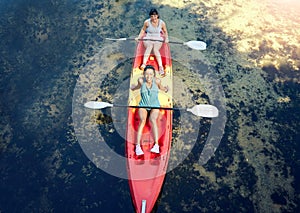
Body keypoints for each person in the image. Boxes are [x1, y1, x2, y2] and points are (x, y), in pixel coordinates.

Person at [130, 65, 169, 155]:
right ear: (144, 74)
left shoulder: (157, 81)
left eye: (151, 74)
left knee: (153, 120)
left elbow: (162, 88)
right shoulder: (140, 80)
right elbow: (137, 87)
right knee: (143, 120)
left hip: (155, 105)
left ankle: (156, 145)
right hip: (143, 105)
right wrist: (133, 88)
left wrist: (166, 89)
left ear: (154, 74)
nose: (149, 76)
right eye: (147, 74)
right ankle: (138, 146)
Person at [136, 8, 169, 75]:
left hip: (158, 38)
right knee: (149, 46)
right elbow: (143, 30)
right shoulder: (147, 22)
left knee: (155, 49)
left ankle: (160, 66)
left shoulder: (162, 23)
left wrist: (166, 38)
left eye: (155, 16)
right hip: (148, 37)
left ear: (157, 15)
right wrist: (139, 37)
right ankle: (144, 64)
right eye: (151, 16)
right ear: (150, 16)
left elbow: (165, 31)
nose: (153, 18)